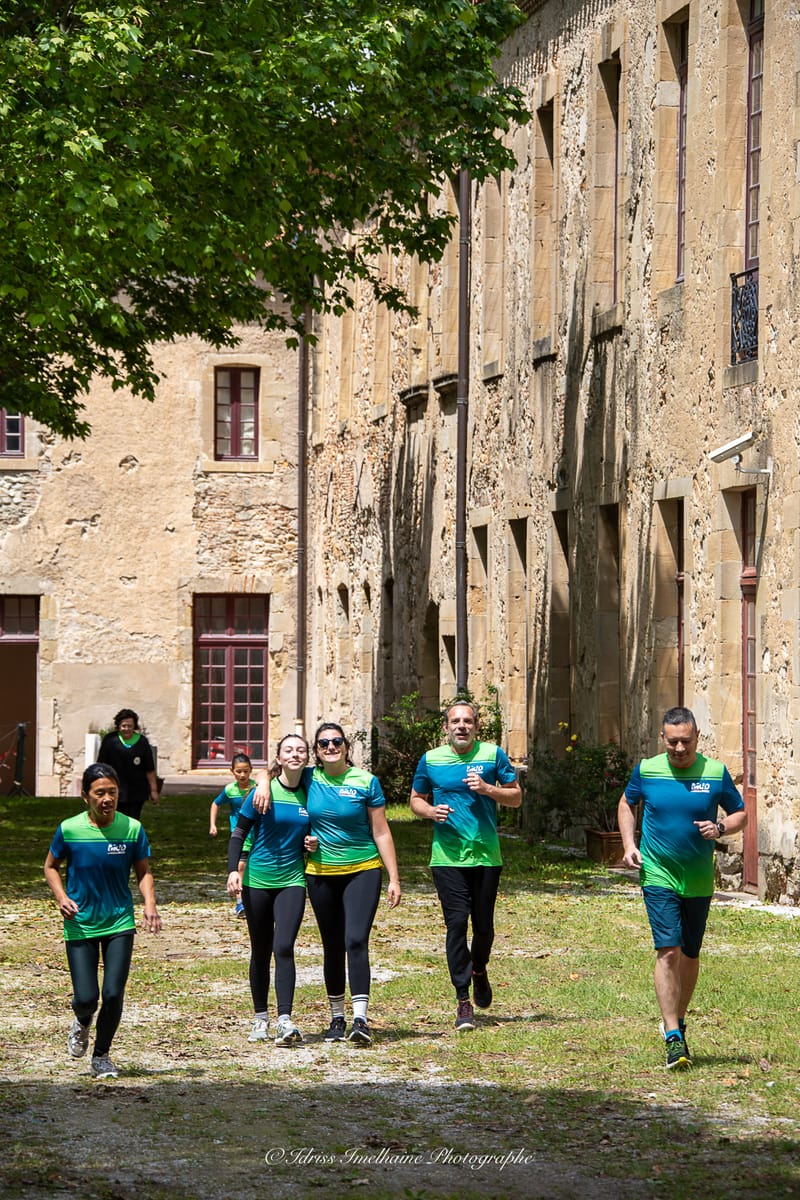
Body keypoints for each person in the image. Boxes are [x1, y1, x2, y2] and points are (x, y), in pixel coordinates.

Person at [255, 722, 401, 1046]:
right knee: (332, 944)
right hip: (320, 874)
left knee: (356, 940)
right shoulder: (310, 777)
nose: (330, 747)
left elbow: (381, 831)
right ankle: (337, 1017)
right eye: (323, 744)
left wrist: (394, 876)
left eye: (336, 742)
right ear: (317, 752)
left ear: (346, 746)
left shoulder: (366, 782)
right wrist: (263, 782)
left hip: (363, 869)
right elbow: (276, 768)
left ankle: (360, 1019)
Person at [618, 705, 747, 1070]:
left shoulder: (714, 772)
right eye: (672, 742)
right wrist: (630, 844)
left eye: (685, 742)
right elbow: (627, 803)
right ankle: (674, 1036)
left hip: (699, 879)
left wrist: (721, 828)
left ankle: (676, 1019)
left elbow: (741, 813)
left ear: (697, 738)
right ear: (663, 738)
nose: (679, 749)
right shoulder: (647, 769)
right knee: (669, 951)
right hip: (658, 873)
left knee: (690, 954)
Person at [43, 762, 162, 1079]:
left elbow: (144, 871)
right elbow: (51, 866)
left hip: (119, 921)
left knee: (112, 993)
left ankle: (102, 1056)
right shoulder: (70, 829)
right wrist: (61, 897)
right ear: (85, 796)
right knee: (86, 998)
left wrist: (149, 904)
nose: (107, 799)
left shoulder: (132, 829)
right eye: (100, 793)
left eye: (112, 792)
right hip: (80, 922)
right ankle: (82, 1021)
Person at [409, 700, 521, 1031]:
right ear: (446, 727)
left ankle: (479, 968)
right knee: (457, 924)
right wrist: (429, 812)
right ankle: (462, 1000)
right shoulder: (431, 760)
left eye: (467, 721)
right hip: (446, 857)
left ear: (476, 726)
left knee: (483, 927)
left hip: (486, 855)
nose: (461, 726)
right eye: (455, 721)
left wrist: (488, 789)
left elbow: (516, 796)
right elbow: (415, 800)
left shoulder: (492, 755)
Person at [226, 735, 316, 1046]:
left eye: (301, 750)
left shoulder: (310, 789)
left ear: (307, 756)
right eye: (289, 750)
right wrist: (232, 872)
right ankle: (260, 1018)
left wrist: (312, 843)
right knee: (261, 950)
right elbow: (239, 833)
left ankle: (285, 1020)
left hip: (292, 879)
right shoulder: (263, 791)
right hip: (257, 882)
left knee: (285, 947)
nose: (295, 754)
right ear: (278, 756)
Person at [210, 752, 255, 917]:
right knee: (240, 867)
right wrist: (213, 825)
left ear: (251, 770)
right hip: (239, 834)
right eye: (238, 771)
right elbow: (215, 803)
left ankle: (253, 899)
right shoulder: (230, 790)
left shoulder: (255, 787)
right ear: (232, 771)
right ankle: (240, 903)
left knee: (252, 866)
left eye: (246, 771)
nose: (242, 775)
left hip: (255, 834)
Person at [98, 709, 159, 821]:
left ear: (134, 726)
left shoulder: (142, 742)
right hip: (114, 790)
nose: (126, 729)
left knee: (133, 820)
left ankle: (131, 838)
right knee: (115, 820)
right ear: (118, 726)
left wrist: (153, 791)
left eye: (129, 726)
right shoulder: (110, 740)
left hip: (137, 791)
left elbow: (149, 769)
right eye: (123, 726)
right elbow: (101, 766)